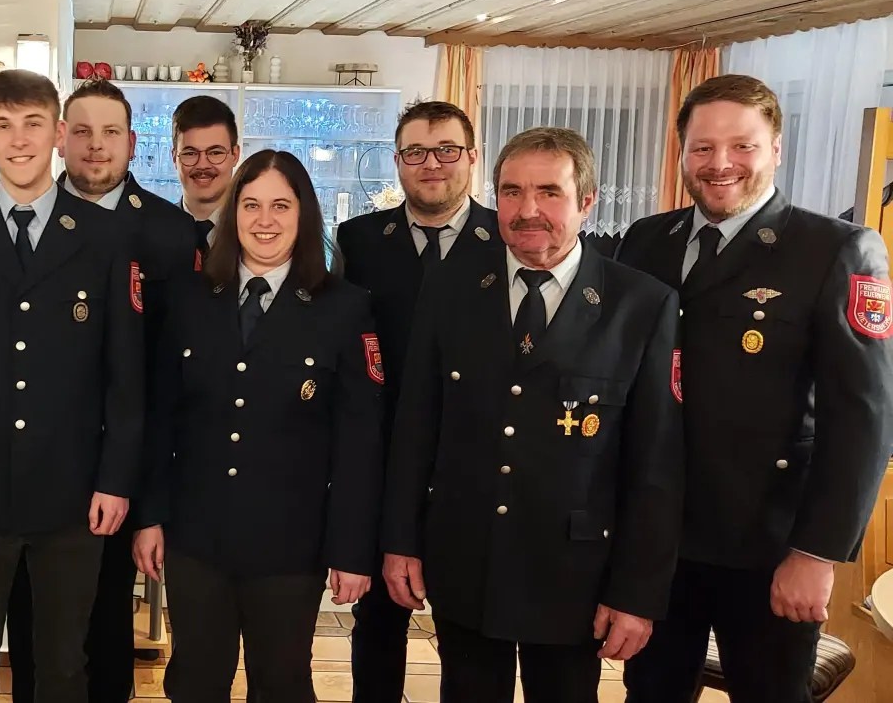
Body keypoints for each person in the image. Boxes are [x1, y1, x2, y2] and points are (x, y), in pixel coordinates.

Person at [382, 127, 684, 703]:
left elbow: (656, 466)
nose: (527, 211)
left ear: (587, 200)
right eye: (511, 192)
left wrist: (637, 594)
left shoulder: (640, 305)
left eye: (549, 192)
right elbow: (416, 426)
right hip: (466, 558)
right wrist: (401, 540)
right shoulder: (450, 289)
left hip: (573, 572)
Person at [617, 75, 893, 703]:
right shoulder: (646, 241)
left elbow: (865, 416)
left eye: (742, 146)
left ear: (776, 149)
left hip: (768, 546)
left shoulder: (837, 249)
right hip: (659, 541)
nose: (720, 165)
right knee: (649, 693)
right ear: (682, 153)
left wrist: (817, 552)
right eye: (702, 147)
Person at [0, 69, 144, 703]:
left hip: (72, 495)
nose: (19, 141)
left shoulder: (106, 237)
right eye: (4, 126)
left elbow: (125, 377)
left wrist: (115, 479)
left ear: (59, 135)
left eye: (34, 124)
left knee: (64, 665)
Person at [134, 150, 384, 703]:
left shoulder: (344, 308)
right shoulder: (190, 298)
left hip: (292, 545)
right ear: (231, 213)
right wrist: (149, 516)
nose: (264, 220)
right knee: (195, 680)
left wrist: (351, 548)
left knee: (283, 681)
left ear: (304, 214)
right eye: (250, 205)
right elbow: (161, 420)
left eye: (280, 205)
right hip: (196, 536)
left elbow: (359, 443)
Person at [4, 79, 198, 703]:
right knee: (31, 616)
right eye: (81, 131)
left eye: (110, 132)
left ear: (133, 144)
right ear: (61, 139)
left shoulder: (170, 233)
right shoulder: (19, 221)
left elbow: (176, 362)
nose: (95, 146)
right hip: (34, 458)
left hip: (127, 461)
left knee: (107, 615)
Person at [334, 100, 498, 703]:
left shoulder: (504, 240)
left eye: (447, 150)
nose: (432, 164)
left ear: (471, 158)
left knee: (469, 641)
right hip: (381, 470)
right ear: (398, 161)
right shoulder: (357, 241)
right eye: (415, 153)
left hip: (472, 472)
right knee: (377, 629)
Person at [172, 95, 241, 260]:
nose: (203, 165)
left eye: (215, 152)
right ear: (174, 158)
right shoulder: (151, 233)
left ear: (235, 155)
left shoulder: (254, 233)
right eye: (190, 153)